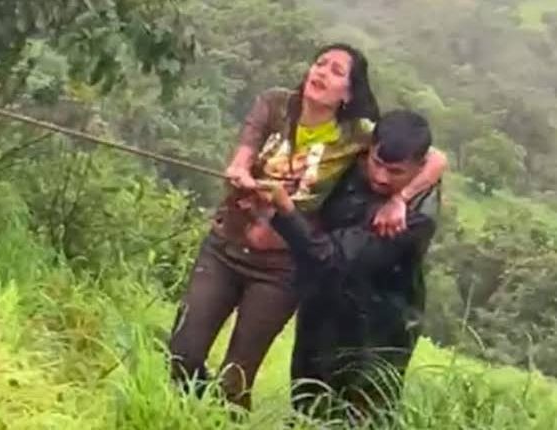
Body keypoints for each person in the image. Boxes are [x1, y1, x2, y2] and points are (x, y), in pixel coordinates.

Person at [168, 42, 448, 411]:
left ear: (349, 93)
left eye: (336, 71)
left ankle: (214, 418)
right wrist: (239, 170)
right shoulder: (276, 104)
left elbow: (434, 157)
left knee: (236, 377)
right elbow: (245, 150)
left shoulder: (357, 136)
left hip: (281, 268)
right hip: (226, 245)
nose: (322, 73)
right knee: (182, 353)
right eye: (320, 64)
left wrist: (401, 197)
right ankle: (187, 411)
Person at [261, 109, 441, 424]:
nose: (381, 177)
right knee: (306, 410)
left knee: (362, 417)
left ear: (419, 166)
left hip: (380, 329)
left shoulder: (417, 216)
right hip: (322, 311)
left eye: (396, 172)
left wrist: (285, 211)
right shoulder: (354, 162)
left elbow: (332, 257)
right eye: (377, 163)